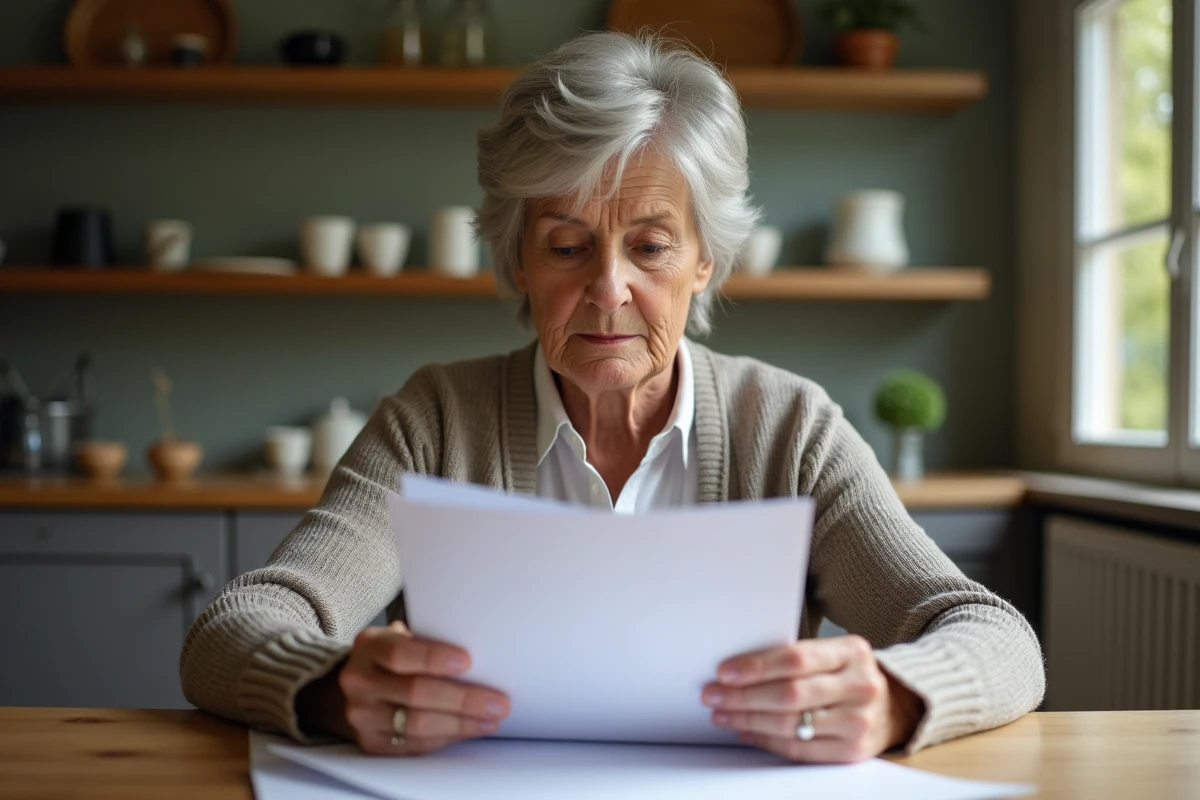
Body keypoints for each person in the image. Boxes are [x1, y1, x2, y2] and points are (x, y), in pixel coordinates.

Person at [180, 31, 1044, 763]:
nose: (607, 289)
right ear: (519, 260)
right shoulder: (435, 422)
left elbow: (993, 634)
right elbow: (235, 626)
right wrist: (332, 690)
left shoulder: (790, 429)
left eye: (651, 247)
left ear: (705, 260)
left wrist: (891, 696)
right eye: (566, 247)